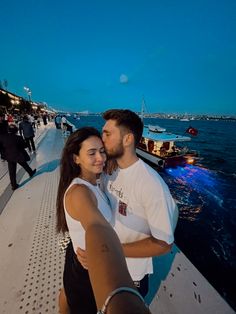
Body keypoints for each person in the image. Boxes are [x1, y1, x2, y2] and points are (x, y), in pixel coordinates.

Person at [77, 109, 178, 298]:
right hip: (106, 261)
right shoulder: (110, 168)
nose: (102, 139)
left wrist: (109, 250)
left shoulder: (151, 185)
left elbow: (164, 244)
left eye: (107, 134)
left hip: (130, 274)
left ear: (127, 139)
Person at [56, 127, 113, 314]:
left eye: (102, 151)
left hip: (76, 256)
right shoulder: (80, 192)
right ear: (76, 158)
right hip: (87, 268)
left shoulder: (93, 180)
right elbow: (97, 227)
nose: (101, 158)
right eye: (92, 153)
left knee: (68, 295)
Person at [85, 223, 151, 314]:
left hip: (133, 273)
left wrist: (109, 249)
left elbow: (164, 244)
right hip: (110, 265)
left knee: (128, 305)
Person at [0, 124, 36, 190]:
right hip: (18, 155)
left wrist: (3, 155)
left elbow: (1, 147)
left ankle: (14, 185)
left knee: (12, 171)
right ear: (16, 131)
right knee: (24, 165)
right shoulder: (18, 137)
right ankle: (31, 173)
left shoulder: (2, 137)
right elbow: (24, 146)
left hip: (9, 156)